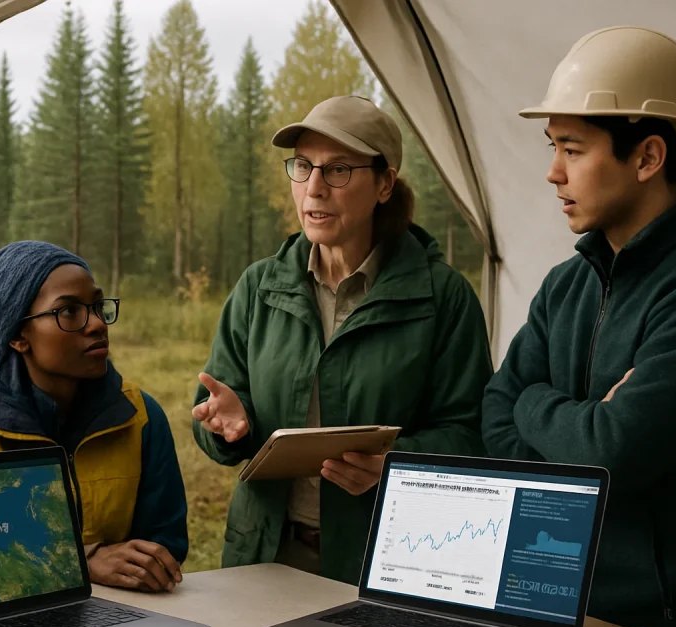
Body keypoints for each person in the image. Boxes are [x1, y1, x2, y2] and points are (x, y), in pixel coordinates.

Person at [483, 26, 676, 627]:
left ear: (647, 157)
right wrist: (583, 423)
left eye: (572, 148)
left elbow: (614, 450)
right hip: (546, 610)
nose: (551, 172)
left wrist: (535, 402)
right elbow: (493, 418)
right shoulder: (566, 285)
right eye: (552, 147)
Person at [191, 95, 493, 586]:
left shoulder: (443, 297)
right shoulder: (259, 287)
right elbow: (215, 409)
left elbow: (472, 432)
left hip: (387, 560)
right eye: (304, 166)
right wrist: (228, 425)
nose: (314, 188)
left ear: (385, 184)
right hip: (266, 556)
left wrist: (394, 465)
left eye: (337, 171)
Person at [0, 241, 188, 594]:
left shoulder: (140, 416)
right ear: (19, 335)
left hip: (127, 617)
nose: (96, 324)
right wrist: (81, 562)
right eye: (69, 312)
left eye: (97, 306)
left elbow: (166, 545)